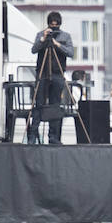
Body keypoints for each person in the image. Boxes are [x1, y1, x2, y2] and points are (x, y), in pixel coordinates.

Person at [31, 12, 75, 143]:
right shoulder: (41, 34)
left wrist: (57, 44)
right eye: (52, 25)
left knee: (56, 105)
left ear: (60, 25)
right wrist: (43, 39)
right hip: (42, 73)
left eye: (56, 26)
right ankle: (33, 135)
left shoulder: (65, 36)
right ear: (48, 24)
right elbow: (34, 50)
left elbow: (71, 53)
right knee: (39, 104)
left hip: (57, 73)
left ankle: (54, 137)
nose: (54, 28)